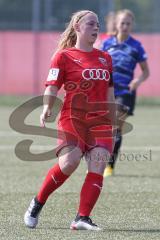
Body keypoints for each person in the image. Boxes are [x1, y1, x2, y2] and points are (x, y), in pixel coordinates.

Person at [24, 10, 116, 231]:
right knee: (69, 163)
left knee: (98, 165)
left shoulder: (105, 58)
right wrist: (47, 106)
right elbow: (52, 85)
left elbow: (110, 92)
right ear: (77, 26)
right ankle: (37, 203)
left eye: (98, 24)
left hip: (100, 121)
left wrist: (114, 120)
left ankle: (82, 218)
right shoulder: (63, 56)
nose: (96, 28)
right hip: (72, 119)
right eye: (91, 24)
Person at [101, 9, 150, 177]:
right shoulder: (107, 44)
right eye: (122, 23)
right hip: (106, 90)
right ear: (116, 24)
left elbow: (145, 72)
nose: (125, 26)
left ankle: (109, 166)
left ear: (132, 25)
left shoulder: (136, 46)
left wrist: (137, 81)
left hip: (125, 92)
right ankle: (99, 162)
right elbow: (98, 64)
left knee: (115, 127)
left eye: (128, 23)